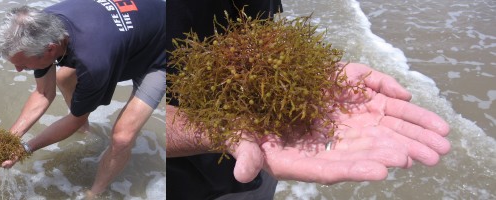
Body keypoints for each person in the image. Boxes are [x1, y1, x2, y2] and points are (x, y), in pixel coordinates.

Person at [166, 0, 451, 199]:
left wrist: (299, 75)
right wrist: (208, 129)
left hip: (265, 156)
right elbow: (125, 108)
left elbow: (259, 27)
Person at [0, 0, 166, 198]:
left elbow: (75, 118)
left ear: (50, 50)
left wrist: (25, 149)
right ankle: (86, 132)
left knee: (122, 138)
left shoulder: (93, 61)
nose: (19, 69)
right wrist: (10, 140)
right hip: (129, 33)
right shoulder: (41, 24)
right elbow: (43, 93)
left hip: (159, 53)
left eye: (23, 64)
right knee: (64, 78)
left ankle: (95, 192)